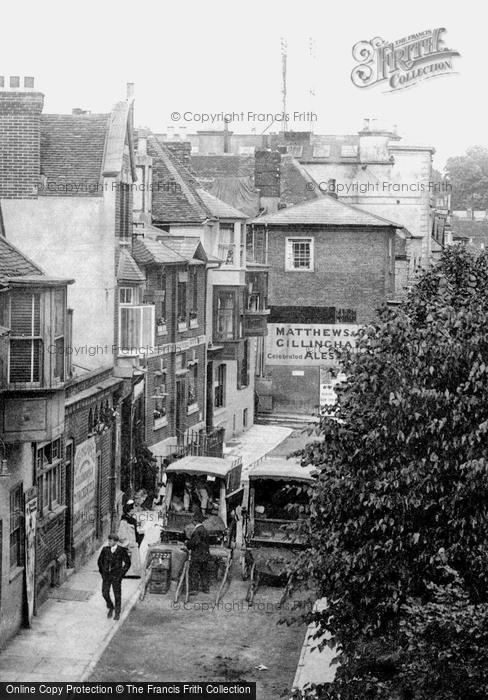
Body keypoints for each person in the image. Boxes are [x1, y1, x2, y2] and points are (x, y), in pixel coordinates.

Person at [97, 533, 131, 621]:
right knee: (105, 593)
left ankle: (117, 612)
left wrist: (121, 574)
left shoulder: (121, 550)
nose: (109, 542)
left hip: (116, 576)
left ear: (115, 542)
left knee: (117, 595)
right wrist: (102, 572)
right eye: (108, 540)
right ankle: (111, 606)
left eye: (110, 541)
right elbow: (99, 562)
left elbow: (127, 563)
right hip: (106, 576)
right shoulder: (105, 550)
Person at [186, 506, 210, 594]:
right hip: (205, 555)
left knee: (194, 571)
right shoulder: (205, 530)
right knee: (204, 572)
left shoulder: (197, 531)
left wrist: (187, 544)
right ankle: (206, 589)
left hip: (197, 555)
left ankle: (194, 589)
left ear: (194, 521)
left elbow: (195, 542)